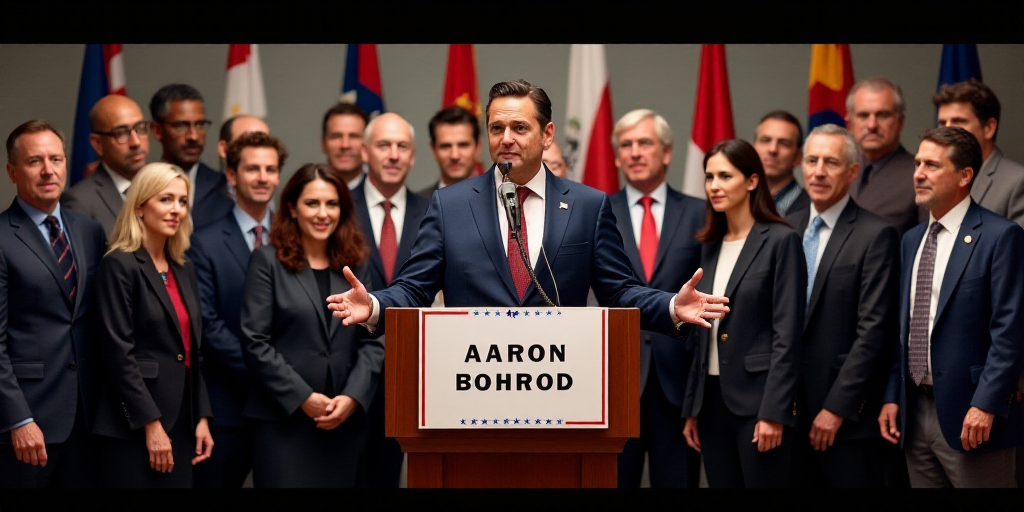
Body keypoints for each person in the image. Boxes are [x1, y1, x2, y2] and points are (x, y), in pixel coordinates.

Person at [327, 79, 728, 343]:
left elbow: (619, 291)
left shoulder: (588, 206)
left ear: (547, 134)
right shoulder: (449, 205)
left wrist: (671, 305)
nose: (507, 139)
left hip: (557, 385)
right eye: (496, 128)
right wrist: (375, 305)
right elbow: (415, 288)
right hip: (471, 384)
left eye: (520, 128)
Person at [878, 126, 1024, 488]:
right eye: (917, 163)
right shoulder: (911, 240)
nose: (918, 173)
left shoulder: (1000, 236)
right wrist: (893, 396)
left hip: (972, 416)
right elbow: (905, 326)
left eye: (932, 165)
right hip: (915, 414)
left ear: (964, 175)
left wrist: (987, 404)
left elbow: (1010, 331)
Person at [240, 164, 383, 488]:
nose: (323, 214)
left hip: (342, 420)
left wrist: (353, 397)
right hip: (283, 420)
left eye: (332, 204)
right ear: (292, 207)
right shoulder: (267, 260)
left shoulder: (356, 262)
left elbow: (374, 338)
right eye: (312, 203)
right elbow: (255, 341)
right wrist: (303, 397)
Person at [681, 138, 805, 488]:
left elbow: (788, 335)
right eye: (709, 177)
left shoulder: (781, 240)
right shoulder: (709, 245)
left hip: (759, 404)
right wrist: (693, 407)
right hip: (711, 403)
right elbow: (701, 333)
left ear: (752, 181)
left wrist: (775, 412)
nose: (714, 186)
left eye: (725, 176)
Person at [786, 124, 899, 487]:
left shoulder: (875, 234)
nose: (818, 171)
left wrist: (836, 408)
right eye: (812, 160)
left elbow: (874, 332)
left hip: (844, 417)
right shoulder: (784, 229)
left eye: (831, 162)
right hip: (785, 412)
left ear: (852, 172)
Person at [91, 162, 214, 487]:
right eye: (166, 199)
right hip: (133, 425)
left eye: (182, 201)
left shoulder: (182, 267)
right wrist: (150, 424)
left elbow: (192, 350)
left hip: (183, 421)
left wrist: (201, 415)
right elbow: (119, 355)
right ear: (141, 205)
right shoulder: (119, 264)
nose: (176, 209)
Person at [0, 120, 107, 488]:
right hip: (29, 423)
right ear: (12, 171)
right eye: (35, 161)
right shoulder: (1, 237)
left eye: (56, 159)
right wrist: (18, 420)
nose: (49, 170)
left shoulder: (89, 230)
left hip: (90, 418)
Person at [609, 109, 704, 489]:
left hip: (678, 384)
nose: (634, 152)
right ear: (615, 156)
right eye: (626, 145)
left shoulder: (701, 211)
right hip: (616, 383)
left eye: (644, 143)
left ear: (666, 152)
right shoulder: (595, 211)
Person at [187, 131, 286, 488]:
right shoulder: (203, 241)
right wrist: (271, 373)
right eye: (252, 168)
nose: (262, 177)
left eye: (271, 169)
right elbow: (207, 324)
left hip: (285, 411)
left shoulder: (296, 238)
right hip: (228, 409)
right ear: (231, 175)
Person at [351, 112, 429, 487]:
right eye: (384, 145)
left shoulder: (435, 212)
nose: (393, 154)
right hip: (345, 376)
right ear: (365, 151)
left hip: (413, 374)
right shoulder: (334, 209)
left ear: (414, 156)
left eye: (402, 147)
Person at [934, 78, 1024, 228]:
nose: (947, 131)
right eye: (942, 123)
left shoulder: (1017, 182)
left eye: (959, 121)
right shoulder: (936, 177)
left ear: (989, 128)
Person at [846, 77, 926, 237]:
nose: (872, 125)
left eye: (882, 115)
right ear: (849, 123)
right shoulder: (838, 173)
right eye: (863, 115)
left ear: (900, 121)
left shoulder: (920, 175)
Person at [150, 83, 234, 230]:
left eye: (200, 124)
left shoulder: (225, 187)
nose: (194, 136)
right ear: (157, 131)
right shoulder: (141, 186)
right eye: (181, 125)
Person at [63, 95, 149, 237]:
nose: (136, 142)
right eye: (121, 133)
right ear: (98, 144)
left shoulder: (165, 187)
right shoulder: (80, 202)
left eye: (140, 129)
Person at [417, 106, 482, 199]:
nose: (454, 155)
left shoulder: (497, 200)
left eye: (463, 145)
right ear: (433, 150)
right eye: (445, 146)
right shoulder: (419, 205)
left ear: (478, 147)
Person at [753, 110, 809, 216]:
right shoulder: (735, 203)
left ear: (798, 157)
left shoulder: (812, 210)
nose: (773, 149)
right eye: (765, 140)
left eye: (784, 143)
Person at [321, 103, 370, 190]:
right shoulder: (307, 193)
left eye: (354, 136)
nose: (345, 145)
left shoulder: (381, 194)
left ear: (367, 145)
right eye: (336, 136)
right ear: (323, 144)